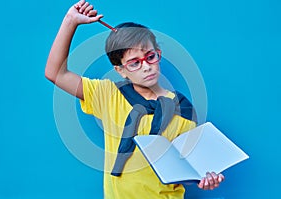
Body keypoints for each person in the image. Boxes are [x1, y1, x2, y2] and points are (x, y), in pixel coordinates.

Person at [45, 1, 225, 198]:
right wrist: (70, 21)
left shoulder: (183, 109)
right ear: (120, 70)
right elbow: (56, 73)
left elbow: (189, 168)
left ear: (159, 54)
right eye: (134, 63)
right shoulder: (108, 95)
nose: (146, 67)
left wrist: (206, 179)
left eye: (150, 57)